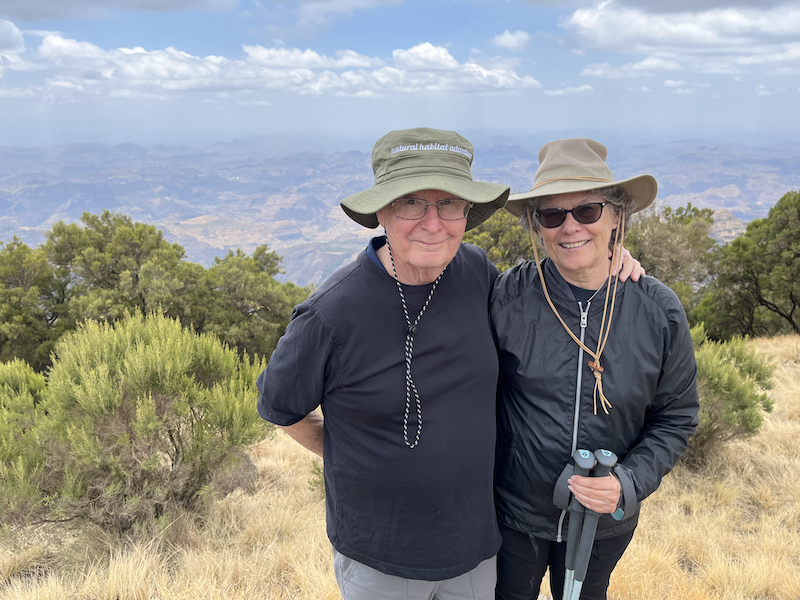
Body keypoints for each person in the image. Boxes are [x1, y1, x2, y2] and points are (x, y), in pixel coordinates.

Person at [257, 127, 511, 600]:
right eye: (411, 202)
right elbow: (280, 405)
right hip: (379, 561)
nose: (433, 223)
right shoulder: (330, 314)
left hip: (474, 549)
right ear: (382, 211)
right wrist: (351, 455)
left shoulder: (479, 274)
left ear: (466, 213)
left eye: (449, 203)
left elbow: (552, 302)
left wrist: (609, 259)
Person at [490, 138, 700, 600]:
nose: (570, 228)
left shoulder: (658, 311)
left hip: (605, 524)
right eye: (551, 215)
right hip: (516, 518)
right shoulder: (506, 298)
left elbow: (676, 417)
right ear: (537, 225)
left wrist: (627, 483)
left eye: (587, 211)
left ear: (616, 216)